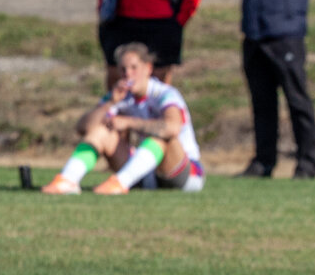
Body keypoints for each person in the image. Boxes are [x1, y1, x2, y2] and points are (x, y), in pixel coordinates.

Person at [42, 43, 205, 196]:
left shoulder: (164, 94)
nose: (128, 73)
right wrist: (110, 103)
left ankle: (120, 182)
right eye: (123, 68)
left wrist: (128, 122)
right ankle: (68, 180)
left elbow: (172, 128)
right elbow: (83, 127)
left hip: (184, 173)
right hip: (148, 171)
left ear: (148, 68)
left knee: (161, 136)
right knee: (101, 131)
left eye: (134, 68)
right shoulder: (121, 96)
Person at [231, 0, 315, 180]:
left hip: (285, 31)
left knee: (297, 100)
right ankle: (263, 161)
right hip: (254, 29)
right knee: (261, 101)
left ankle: (308, 162)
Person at [97, 0, 208, 92]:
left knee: (158, 86)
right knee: (118, 82)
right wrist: (104, 5)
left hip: (161, 19)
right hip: (120, 15)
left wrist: (181, 18)